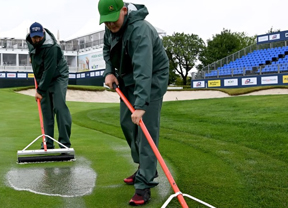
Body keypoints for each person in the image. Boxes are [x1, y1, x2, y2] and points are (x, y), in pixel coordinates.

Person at [98, 0, 169, 206]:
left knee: (145, 129)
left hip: (152, 79)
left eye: (114, 20)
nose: (111, 25)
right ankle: (144, 167)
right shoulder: (110, 27)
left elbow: (143, 71)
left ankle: (144, 184)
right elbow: (106, 49)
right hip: (127, 77)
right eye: (107, 22)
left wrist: (140, 106)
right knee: (126, 123)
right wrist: (109, 71)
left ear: (124, 10)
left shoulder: (140, 30)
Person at [26, 22, 72, 150]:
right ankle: (48, 144)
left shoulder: (51, 46)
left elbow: (49, 69)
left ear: (43, 34)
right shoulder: (30, 42)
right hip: (43, 76)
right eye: (35, 37)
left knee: (59, 106)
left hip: (58, 75)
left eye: (39, 37)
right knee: (46, 111)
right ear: (31, 36)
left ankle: (64, 144)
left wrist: (40, 89)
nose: (37, 39)